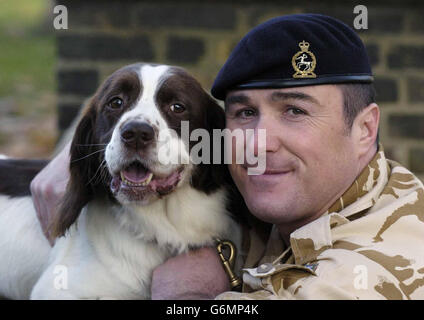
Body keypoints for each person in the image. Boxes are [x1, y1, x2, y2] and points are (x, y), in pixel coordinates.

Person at [31, 14, 424, 300]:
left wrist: (184, 300)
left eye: (295, 111)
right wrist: (84, 150)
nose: (258, 143)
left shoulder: (369, 273)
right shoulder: (294, 195)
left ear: (365, 130)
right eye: (245, 113)